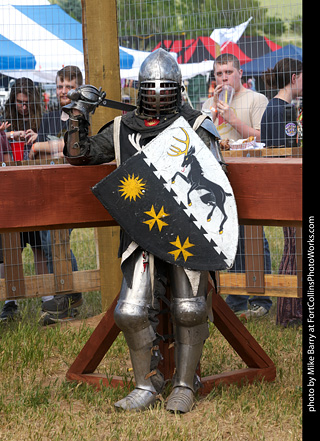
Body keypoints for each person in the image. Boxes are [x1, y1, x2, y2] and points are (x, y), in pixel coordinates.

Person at [62, 48, 226, 413]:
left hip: (187, 233)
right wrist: (79, 112)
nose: (156, 95)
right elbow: (78, 154)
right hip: (142, 234)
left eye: (164, 88)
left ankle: (185, 384)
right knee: (130, 312)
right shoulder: (122, 128)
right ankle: (146, 383)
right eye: (150, 88)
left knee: (189, 307)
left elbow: (216, 181)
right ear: (138, 90)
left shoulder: (196, 126)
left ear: (178, 89)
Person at [203, 53, 272, 319]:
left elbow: (262, 136)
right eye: (219, 74)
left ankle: (259, 298)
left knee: (253, 235)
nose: (224, 78)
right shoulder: (209, 103)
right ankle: (235, 297)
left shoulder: (256, 100)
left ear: (240, 73)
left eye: (228, 72)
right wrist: (212, 117)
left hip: (251, 176)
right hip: (220, 177)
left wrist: (232, 119)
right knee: (227, 235)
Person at [31, 66, 84, 325]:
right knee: (47, 240)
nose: (63, 91)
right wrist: (52, 148)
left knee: (56, 240)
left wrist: (43, 146)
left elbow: (73, 147)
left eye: (69, 86)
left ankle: (68, 295)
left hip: (71, 190)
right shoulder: (49, 117)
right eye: (60, 86)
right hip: (47, 190)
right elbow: (39, 154)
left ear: (78, 88)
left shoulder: (82, 116)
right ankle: (68, 297)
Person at [0, 81, 49, 321]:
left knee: (39, 245)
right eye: (19, 102)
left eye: (27, 103)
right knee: (11, 247)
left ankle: (47, 298)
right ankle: (11, 302)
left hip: (35, 186)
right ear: (13, 101)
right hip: (11, 188)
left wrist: (36, 137)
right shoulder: (5, 117)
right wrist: (11, 134)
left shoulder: (42, 118)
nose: (23, 107)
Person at [260, 58, 303, 327]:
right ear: (294, 78)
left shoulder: (275, 108)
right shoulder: (283, 111)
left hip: (283, 186)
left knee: (295, 247)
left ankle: (292, 311)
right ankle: (288, 313)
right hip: (288, 188)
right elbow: (289, 152)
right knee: (294, 248)